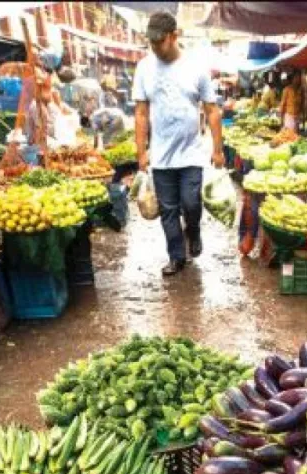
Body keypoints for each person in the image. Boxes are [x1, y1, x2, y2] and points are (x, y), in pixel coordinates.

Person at [133, 11, 224, 276]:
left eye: (159, 42)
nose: (154, 48)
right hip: (161, 156)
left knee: (191, 203)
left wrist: (217, 150)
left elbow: (212, 110)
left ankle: (193, 230)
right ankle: (176, 256)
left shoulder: (196, 67)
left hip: (192, 154)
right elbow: (140, 113)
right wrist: (141, 152)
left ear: (174, 36)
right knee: (168, 211)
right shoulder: (144, 68)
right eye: (151, 42)